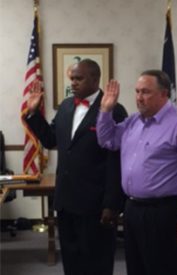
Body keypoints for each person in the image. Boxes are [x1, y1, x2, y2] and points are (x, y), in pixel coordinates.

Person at [96, 70, 177, 275]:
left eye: (146, 92)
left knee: (165, 269)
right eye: (137, 91)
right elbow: (107, 140)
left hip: (166, 212)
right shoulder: (133, 121)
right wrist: (105, 111)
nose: (139, 97)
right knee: (137, 268)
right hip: (133, 209)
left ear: (164, 94)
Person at [24, 59, 127, 275]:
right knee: (71, 260)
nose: (73, 83)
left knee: (96, 262)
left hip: (96, 204)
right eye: (72, 78)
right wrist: (34, 114)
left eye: (78, 78)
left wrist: (112, 203)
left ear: (95, 79)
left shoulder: (113, 110)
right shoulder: (66, 106)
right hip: (66, 200)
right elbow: (51, 140)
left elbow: (116, 160)